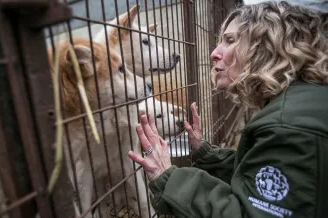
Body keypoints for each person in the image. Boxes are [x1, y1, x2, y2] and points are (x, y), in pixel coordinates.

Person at [128, 1, 328, 218]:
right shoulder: (300, 103)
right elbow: (255, 177)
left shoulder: (287, 126)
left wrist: (166, 175)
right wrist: (206, 154)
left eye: (230, 40)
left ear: (267, 45)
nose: (214, 53)